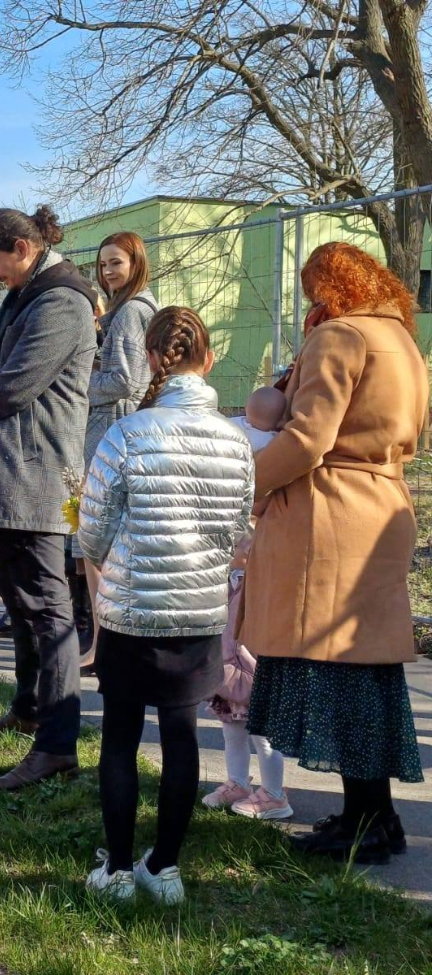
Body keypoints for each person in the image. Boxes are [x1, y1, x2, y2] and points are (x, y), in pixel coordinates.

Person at [243, 242, 428, 865]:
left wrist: (247, 484)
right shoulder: (402, 339)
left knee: (341, 674)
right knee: (365, 673)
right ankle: (369, 818)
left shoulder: (339, 335)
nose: (310, 301)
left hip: (331, 512)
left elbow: (307, 438)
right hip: (381, 501)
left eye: (314, 287)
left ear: (331, 284)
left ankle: (369, 823)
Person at [78, 306, 253, 905]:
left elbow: (94, 530)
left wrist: (113, 558)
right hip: (199, 610)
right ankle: (167, 867)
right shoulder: (236, 441)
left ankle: (119, 871)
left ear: (153, 360)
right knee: (182, 735)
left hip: (133, 608)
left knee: (121, 737)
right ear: (208, 361)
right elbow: (236, 532)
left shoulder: (129, 433)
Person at [0, 206, 96, 789]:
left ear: (23, 248)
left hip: (42, 478)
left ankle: (58, 744)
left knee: (48, 609)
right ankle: (29, 706)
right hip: (9, 474)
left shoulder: (63, 302)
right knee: (19, 603)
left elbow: (11, 387)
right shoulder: (25, 294)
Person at [202, 388, 294, 821]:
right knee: (231, 718)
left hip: (256, 619)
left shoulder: (278, 499)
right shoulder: (241, 460)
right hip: (229, 615)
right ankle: (238, 781)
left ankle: (274, 792)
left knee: (260, 716)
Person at [74, 233, 158, 670]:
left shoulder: (129, 314)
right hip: (122, 431)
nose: (107, 271)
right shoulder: (131, 310)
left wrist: (75, 387)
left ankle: (104, 647)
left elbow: (127, 381)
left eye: (116, 263)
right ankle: (108, 645)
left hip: (112, 430)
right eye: (102, 264)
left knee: (98, 543)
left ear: (136, 263)